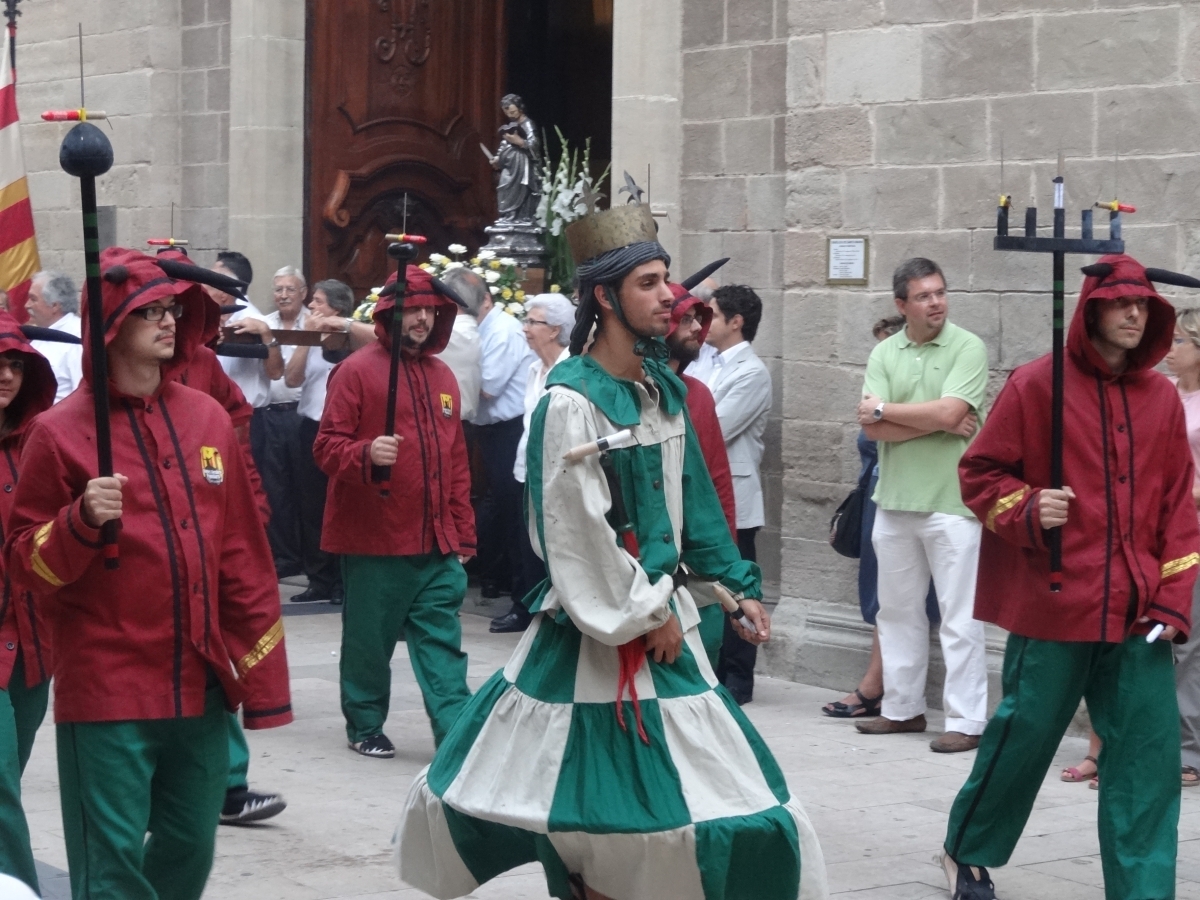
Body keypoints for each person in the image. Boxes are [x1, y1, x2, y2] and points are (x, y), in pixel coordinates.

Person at [397, 193, 827, 900]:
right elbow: (569, 531)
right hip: (602, 629)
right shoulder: (569, 400)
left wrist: (733, 582)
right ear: (606, 296)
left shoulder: (663, 389)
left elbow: (694, 501)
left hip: (666, 625)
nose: (670, 298)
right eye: (649, 284)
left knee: (713, 804)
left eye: (667, 279)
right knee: (584, 805)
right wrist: (645, 612)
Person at [4, 247, 293, 899]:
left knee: (190, 847)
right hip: (107, 688)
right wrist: (78, 522)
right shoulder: (57, 434)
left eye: (170, 309)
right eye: (148, 312)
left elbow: (242, 555)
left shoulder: (208, 417)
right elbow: (26, 562)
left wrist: (264, 678)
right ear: (110, 327)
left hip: (200, 682)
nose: (167, 322)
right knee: (110, 868)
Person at [939, 254, 1199, 900]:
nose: (1136, 313)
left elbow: (1178, 505)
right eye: (1121, 303)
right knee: (1022, 739)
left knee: (1146, 762)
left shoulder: (1162, 397)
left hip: (1138, 615)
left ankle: (1143, 889)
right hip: (1056, 605)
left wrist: (1173, 602)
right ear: (1091, 310)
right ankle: (966, 850)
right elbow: (980, 474)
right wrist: (1028, 507)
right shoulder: (1036, 386)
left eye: (1144, 304)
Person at [314, 266, 475, 759]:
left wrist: (463, 532)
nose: (424, 318)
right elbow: (325, 447)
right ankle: (364, 723)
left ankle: (457, 731)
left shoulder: (443, 376)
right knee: (369, 640)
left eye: (431, 309)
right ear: (390, 311)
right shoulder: (357, 371)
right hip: (374, 538)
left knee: (442, 642)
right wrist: (364, 455)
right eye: (414, 308)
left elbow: (455, 460)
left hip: (435, 540)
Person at [853, 258, 988, 753]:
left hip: (953, 503)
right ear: (901, 304)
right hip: (893, 500)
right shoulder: (886, 352)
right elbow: (872, 428)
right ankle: (901, 710)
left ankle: (967, 720)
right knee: (896, 612)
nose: (936, 302)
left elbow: (954, 411)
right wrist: (934, 420)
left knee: (960, 615)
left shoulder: (967, 346)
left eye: (941, 292)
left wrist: (895, 413)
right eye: (925, 296)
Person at [823, 316, 940, 719]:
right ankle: (882, 686)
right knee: (883, 594)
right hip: (879, 496)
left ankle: (876, 685)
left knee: (896, 595)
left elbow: (942, 427)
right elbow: (870, 429)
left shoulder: (919, 394)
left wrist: (889, 417)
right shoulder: (883, 394)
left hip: (909, 496)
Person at [0, 319, 57, 892]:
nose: (6, 375)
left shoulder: (44, 438)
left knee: (7, 776)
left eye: (16, 364)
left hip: (34, 640)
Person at [704, 284, 773, 705]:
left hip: (736, 494)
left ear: (735, 322)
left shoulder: (751, 372)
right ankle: (712, 667)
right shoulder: (707, 363)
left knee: (740, 587)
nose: (702, 321)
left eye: (711, 314)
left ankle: (739, 677)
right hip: (711, 490)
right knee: (712, 586)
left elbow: (713, 427)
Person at [664, 278, 738, 668]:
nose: (697, 329)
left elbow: (717, 482)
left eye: (700, 319)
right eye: (686, 319)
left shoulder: (698, 395)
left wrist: (726, 566)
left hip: (696, 564)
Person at [471, 268, 536, 628]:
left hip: (511, 431)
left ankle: (523, 601)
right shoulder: (480, 329)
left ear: (486, 300)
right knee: (501, 515)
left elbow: (488, 386)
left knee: (516, 519)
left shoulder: (504, 330)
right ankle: (508, 587)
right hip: (490, 433)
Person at [506, 292, 573, 629]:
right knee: (525, 545)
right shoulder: (534, 368)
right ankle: (527, 609)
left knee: (551, 550)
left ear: (555, 330)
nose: (525, 328)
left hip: (555, 476)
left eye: (533, 321)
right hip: (527, 471)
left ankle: (550, 615)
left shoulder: (572, 369)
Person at [283, 279, 353, 604]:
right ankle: (319, 578)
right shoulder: (308, 339)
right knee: (311, 508)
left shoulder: (352, 339)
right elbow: (292, 378)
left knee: (340, 507)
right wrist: (306, 340)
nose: (311, 306)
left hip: (343, 433)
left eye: (319, 302)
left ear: (336, 309)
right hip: (310, 429)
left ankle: (342, 580)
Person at [1162, 305, 1200, 790]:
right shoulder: (1167, 395)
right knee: (1175, 638)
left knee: (1191, 644)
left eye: (1178, 343)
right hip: (1170, 530)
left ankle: (1188, 752)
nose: (1168, 351)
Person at [260, 266, 309, 579]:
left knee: (305, 486)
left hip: (303, 415)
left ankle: (310, 555)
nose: (283, 295)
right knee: (275, 489)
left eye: (290, 289)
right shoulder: (265, 324)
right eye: (278, 289)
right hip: (272, 414)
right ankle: (285, 556)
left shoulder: (313, 323)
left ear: (303, 293)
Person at [26, 270, 83, 403]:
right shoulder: (38, 334)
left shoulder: (77, 339)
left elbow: (84, 395)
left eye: (33, 299)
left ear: (54, 305)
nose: (26, 305)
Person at [490, 93, 542, 225]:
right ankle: (508, 216)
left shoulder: (528, 124)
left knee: (522, 191)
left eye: (513, 111)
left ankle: (519, 216)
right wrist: (498, 158)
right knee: (504, 188)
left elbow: (534, 144)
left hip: (523, 167)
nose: (510, 115)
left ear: (520, 108)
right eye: (507, 112)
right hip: (510, 167)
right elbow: (505, 144)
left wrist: (520, 142)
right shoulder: (511, 125)